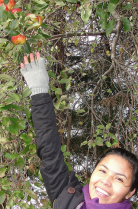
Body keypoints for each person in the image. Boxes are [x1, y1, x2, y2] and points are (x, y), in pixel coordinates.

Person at [20, 52, 138, 209]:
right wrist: (39, 92)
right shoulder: (68, 199)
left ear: (130, 192)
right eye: (102, 171)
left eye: (120, 179)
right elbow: (50, 151)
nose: (106, 181)